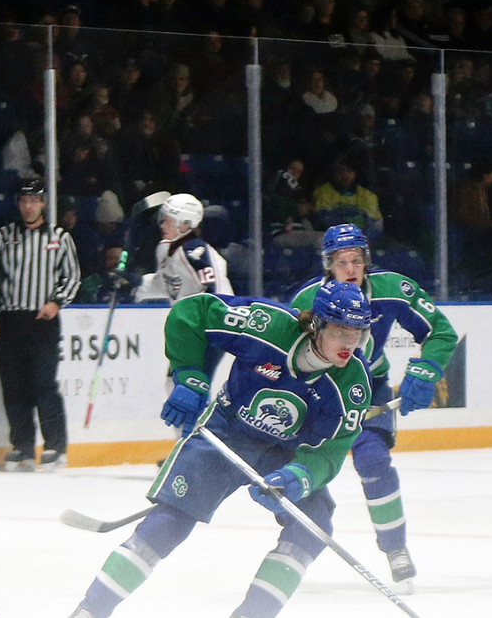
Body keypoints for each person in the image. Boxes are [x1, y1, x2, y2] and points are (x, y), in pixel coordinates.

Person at [67, 280, 374, 618]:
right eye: (341, 331)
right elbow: (192, 311)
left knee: (313, 525)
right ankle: (90, 611)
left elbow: (330, 449)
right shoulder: (267, 326)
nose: (350, 343)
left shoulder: (353, 384)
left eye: (357, 332)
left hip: (287, 451)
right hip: (228, 433)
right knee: (172, 520)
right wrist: (189, 376)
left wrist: (300, 475)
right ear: (317, 324)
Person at [289, 223, 458, 593]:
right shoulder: (306, 301)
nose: (350, 268)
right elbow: (285, 356)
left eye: (356, 260)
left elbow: (440, 332)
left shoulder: (391, 289)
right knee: (299, 469)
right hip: (320, 392)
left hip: (369, 387)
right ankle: (294, 548)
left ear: (366, 262)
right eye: (341, 261)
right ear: (328, 266)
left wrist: (426, 368)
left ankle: (396, 548)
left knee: (372, 459)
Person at [0, 178, 81, 471]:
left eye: (34, 201)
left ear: (43, 203)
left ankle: (55, 446)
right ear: (18, 203)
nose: (29, 206)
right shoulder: (4, 237)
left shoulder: (60, 237)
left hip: (43, 321)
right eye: (24, 201)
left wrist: (57, 301)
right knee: (14, 386)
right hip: (12, 321)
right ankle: (22, 446)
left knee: (43, 384)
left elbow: (73, 276)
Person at [134, 193, 233, 304]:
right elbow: (166, 286)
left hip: (210, 318)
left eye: (169, 221)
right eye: (163, 219)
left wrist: (213, 317)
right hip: (188, 318)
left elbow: (217, 293)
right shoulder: (165, 248)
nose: (162, 225)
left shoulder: (196, 251)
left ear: (186, 224)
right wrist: (136, 283)